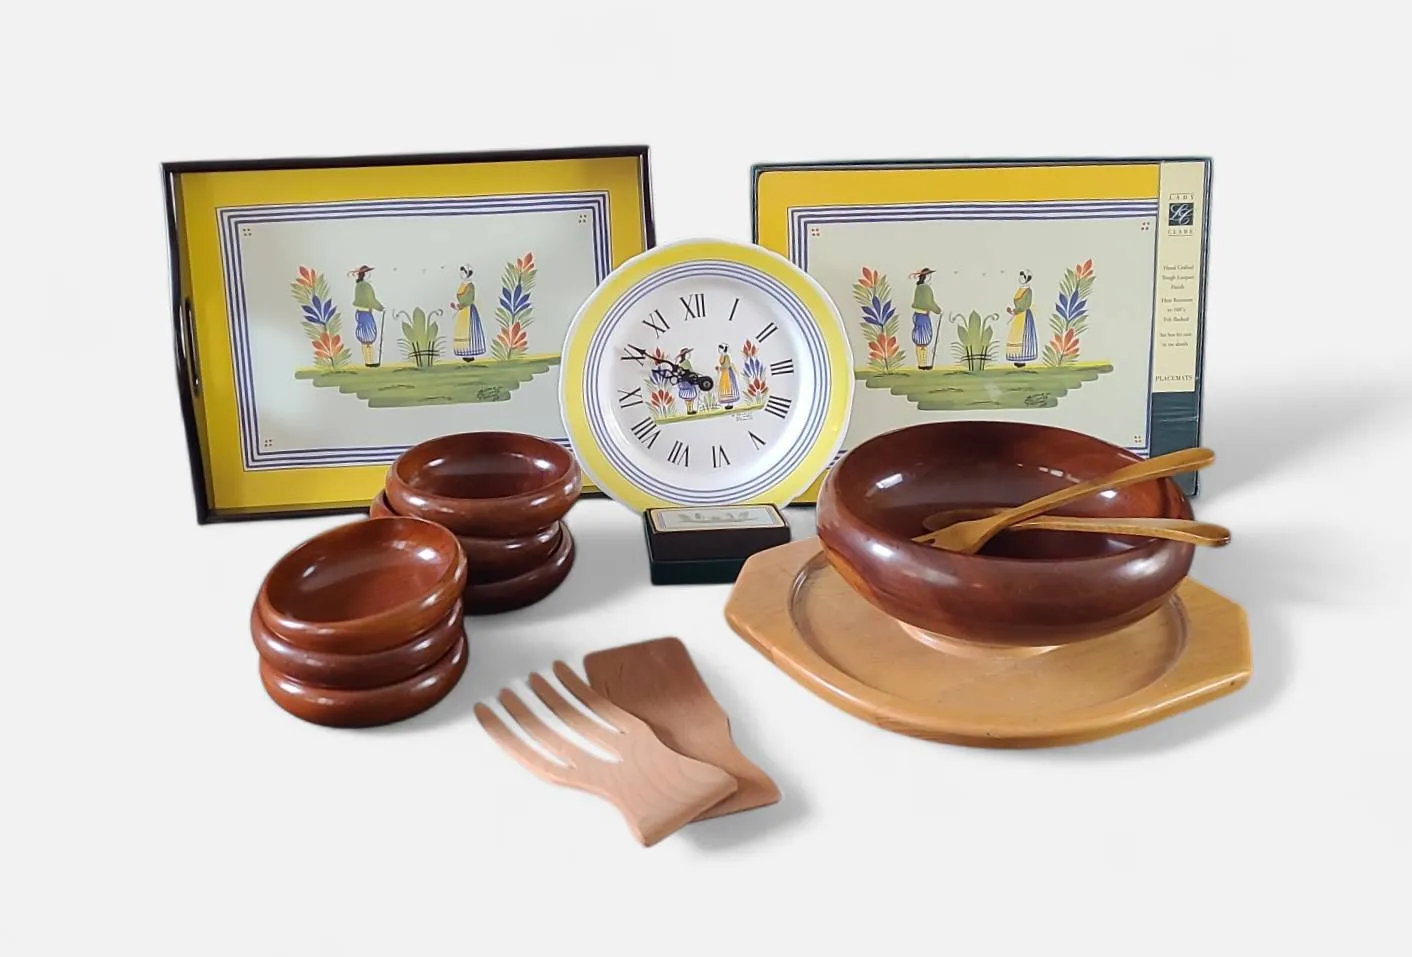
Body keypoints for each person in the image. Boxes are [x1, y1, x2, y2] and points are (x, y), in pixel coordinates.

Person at [349, 265, 384, 366]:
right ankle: (370, 361)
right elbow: (371, 300)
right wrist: (381, 308)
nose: (370, 275)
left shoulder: (359, 285)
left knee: (364, 338)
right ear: (364, 274)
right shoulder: (366, 286)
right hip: (366, 314)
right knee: (368, 337)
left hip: (360, 314)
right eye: (368, 273)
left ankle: (368, 361)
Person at [450, 265, 485, 362]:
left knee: (469, 331)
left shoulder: (470, 286)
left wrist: (458, 306)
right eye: (461, 272)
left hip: (469, 310)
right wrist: (456, 306)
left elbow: (469, 299)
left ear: (468, 274)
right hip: (463, 311)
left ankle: (470, 354)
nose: (461, 274)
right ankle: (464, 352)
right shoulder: (462, 284)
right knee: (461, 330)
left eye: (463, 272)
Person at [909, 268, 941, 370]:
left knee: (920, 340)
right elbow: (929, 303)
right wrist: (938, 310)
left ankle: (922, 363)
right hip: (923, 316)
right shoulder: (926, 288)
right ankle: (922, 364)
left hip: (918, 315)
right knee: (923, 340)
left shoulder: (919, 288)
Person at [1005, 269, 1039, 367]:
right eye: (1020, 275)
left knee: (1023, 336)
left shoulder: (1028, 291)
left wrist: (1014, 311)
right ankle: (1016, 358)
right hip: (1019, 316)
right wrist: (1013, 311)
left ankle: (1022, 359)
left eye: (1023, 276)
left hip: (1024, 316)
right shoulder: (1020, 289)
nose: (1021, 277)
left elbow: (1025, 305)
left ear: (1027, 279)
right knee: (1015, 335)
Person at [715, 343, 741, 410]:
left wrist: (720, 368)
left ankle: (730, 403)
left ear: (723, 349)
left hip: (728, 373)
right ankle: (727, 402)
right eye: (719, 349)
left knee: (728, 386)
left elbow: (727, 365)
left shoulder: (726, 356)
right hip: (724, 373)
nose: (719, 350)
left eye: (720, 349)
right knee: (724, 386)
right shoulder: (722, 356)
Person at [675, 347, 700, 415]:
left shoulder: (679, 363)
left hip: (682, 381)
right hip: (688, 381)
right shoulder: (686, 362)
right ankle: (690, 410)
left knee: (687, 397)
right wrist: (695, 374)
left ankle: (689, 410)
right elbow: (690, 370)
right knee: (690, 397)